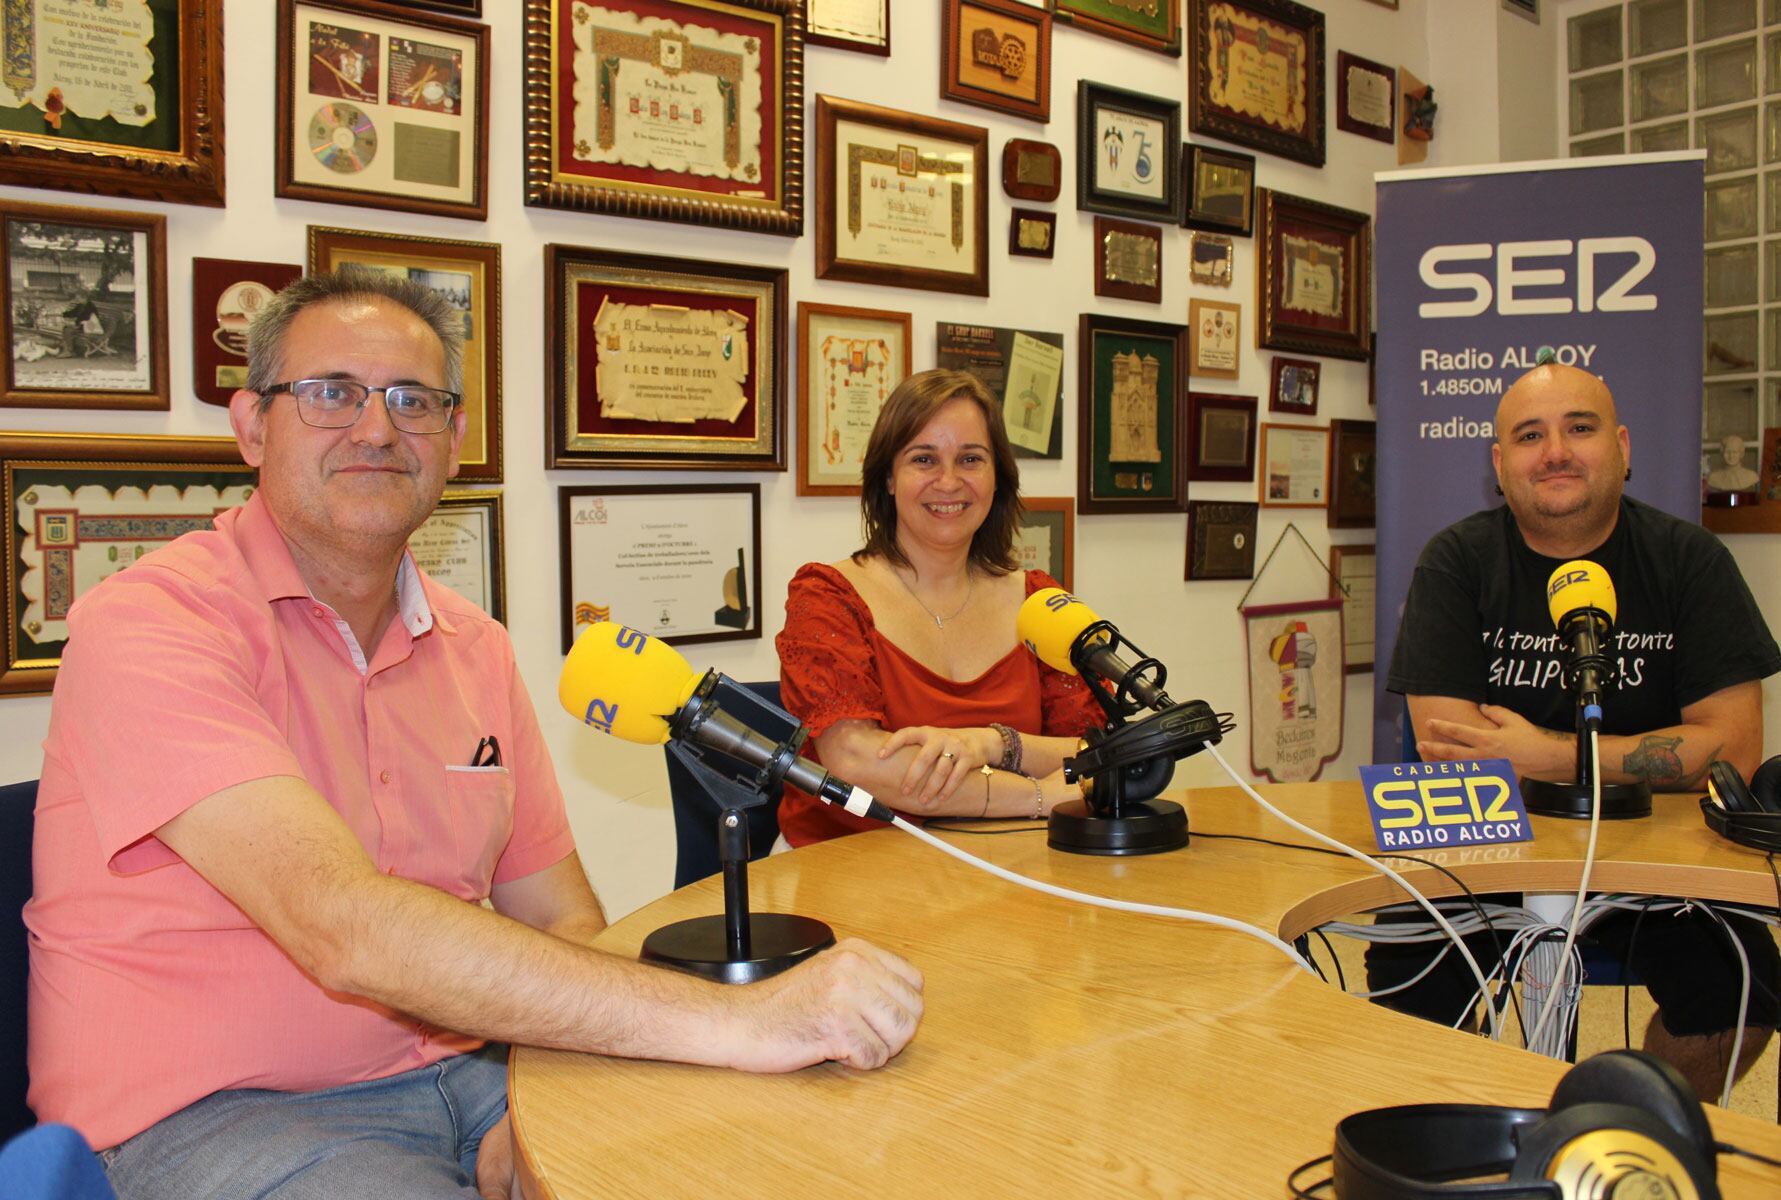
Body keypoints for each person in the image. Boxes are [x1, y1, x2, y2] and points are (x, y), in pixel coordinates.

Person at [27, 270, 924, 1200]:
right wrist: (738, 1024)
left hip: (474, 1076)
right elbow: (342, 927)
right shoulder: (148, 625)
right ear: (253, 424)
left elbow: (564, 920)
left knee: (758, 1157)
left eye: (414, 401)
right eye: (332, 393)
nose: (377, 428)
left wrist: (554, 1105)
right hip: (218, 1115)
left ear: (453, 441)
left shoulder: (477, 648)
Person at [1385, 361, 1781, 1100]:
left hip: (1651, 859)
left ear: (1624, 447)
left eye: (1580, 428)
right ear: (1500, 463)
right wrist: (1647, 755)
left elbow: (1733, 748)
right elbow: (1451, 743)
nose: (1557, 452)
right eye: (1530, 435)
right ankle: (1459, 1133)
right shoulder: (1457, 561)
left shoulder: (1689, 561)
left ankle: (1626, 1125)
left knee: (1743, 985)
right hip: (1490, 851)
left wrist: (1552, 755)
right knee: (1395, 972)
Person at [774, 369, 1106, 848]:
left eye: (970, 459)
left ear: (997, 478)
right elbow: (856, 761)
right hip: (848, 868)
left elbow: (1094, 754)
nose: (948, 482)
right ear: (888, 477)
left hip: (1012, 865)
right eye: (923, 459)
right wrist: (1035, 795)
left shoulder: (1039, 600)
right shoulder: (828, 596)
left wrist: (995, 743)